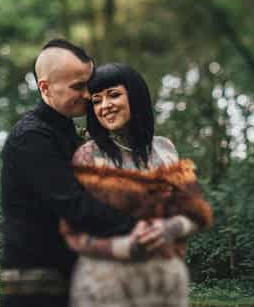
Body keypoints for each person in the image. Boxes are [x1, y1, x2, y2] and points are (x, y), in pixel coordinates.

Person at [0, 40, 164, 306]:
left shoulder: (68, 133)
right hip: (37, 284)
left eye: (88, 85)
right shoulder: (32, 138)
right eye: (78, 87)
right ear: (45, 87)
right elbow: (73, 204)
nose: (88, 95)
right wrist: (138, 226)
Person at [60, 63, 214, 307]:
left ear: (135, 95)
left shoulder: (164, 149)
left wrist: (168, 229)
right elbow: (72, 232)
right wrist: (123, 247)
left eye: (114, 95)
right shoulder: (87, 157)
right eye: (97, 101)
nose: (105, 106)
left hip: (163, 285)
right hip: (106, 287)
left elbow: (196, 212)